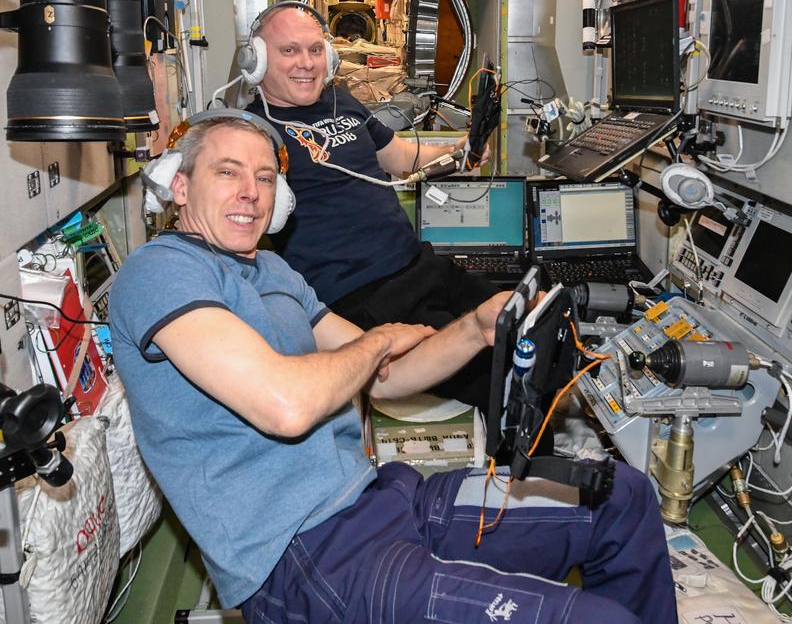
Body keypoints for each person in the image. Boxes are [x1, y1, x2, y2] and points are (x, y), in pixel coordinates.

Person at [108, 113, 677, 623]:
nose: (251, 194)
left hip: (383, 499)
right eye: (228, 173)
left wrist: (476, 328)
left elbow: (387, 377)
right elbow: (286, 406)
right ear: (180, 186)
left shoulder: (275, 273)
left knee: (620, 500)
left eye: (264, 178)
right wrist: (377, 339)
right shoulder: (162, 272)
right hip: (305, 554)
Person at [245, 3, 499, 407]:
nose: (306, 64)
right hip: (361, 296)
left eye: (314, 50)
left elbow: (399, 156)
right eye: (289, 51)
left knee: (522, 321)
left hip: (420, 265)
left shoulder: (342, 102)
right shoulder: (254, 133)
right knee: (492, 375)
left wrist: (458, 149)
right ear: (256, 60)